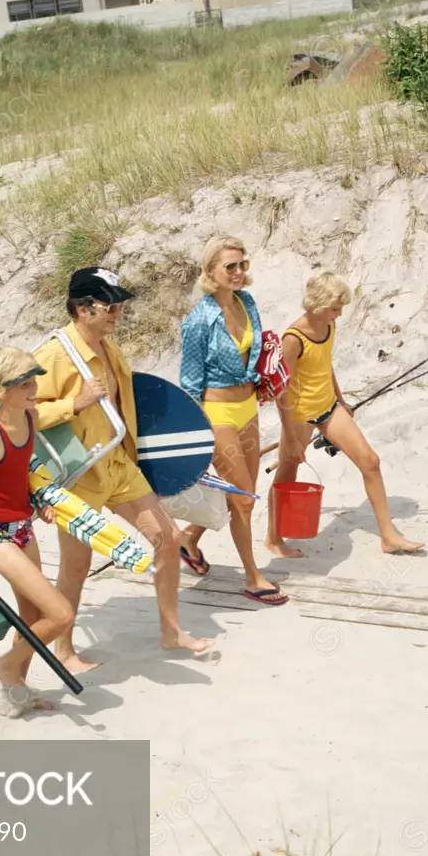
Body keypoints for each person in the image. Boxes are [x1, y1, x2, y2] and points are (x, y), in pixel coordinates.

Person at [32, 266, 211, 670]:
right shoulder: (54, 355)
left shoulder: (109, 347)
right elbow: (19, 414)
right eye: (110, 305)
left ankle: (170, 632)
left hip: (117, 464)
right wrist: (72, 405)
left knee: (167, 537)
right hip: (79, 477)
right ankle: (64, 650)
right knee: (76, 569)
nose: (118, 312)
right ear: (82, 308)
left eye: (120, 304)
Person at [267, 272, 426, 558]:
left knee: (370, 461)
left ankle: (389, 536)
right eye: (335, 308)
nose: (339, 314)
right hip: (299, 415)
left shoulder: (328, 326)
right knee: (287, 473)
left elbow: (325, 365)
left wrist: (342, 401)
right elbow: (282, 389)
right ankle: (273, 538)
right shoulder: (293, 337)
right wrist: (290, 437)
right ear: (318, 304)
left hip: (328, 407)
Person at [0, 346, 77, 717]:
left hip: (23, 526)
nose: (34, 386)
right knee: (60, 614)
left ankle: (17, 695)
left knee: (31, 619)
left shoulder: (30, 417)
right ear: (1, 390)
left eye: (34, 378)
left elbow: (18, 472)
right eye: (24, 382)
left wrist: (36, 500)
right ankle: (7, 666)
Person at [177, 236, 288, 606]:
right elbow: (190, 382)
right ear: (211, 271)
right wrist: (196, 431)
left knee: (236, 496)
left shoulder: (247, 302)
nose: (239, 272)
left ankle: (187, 538)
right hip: (217, 414)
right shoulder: (198, 320)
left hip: (249, 408)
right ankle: (253, 577)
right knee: (243, 500)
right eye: (230, 266)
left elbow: (255, 354)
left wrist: (265, 380)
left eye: (242, 264)